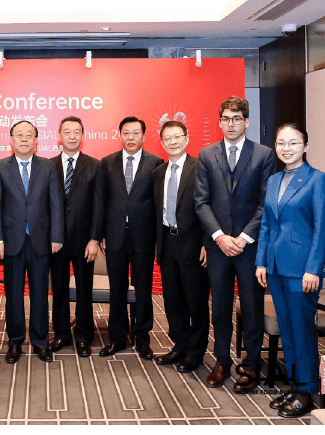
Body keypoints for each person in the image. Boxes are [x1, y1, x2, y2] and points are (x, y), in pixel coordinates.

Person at [194, 96, 275, 391]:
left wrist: (242, 238)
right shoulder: (206, 155)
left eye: (236, 119)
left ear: (246, 122)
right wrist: (219, 236)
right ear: (219, 122)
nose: (231, 124)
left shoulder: (264, 154)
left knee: (252, 307)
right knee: (220, 306)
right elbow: (201, 202)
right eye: (226, 119)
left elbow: (266, 203)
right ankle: (222, 361)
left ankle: (252, 364)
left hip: (249, 247)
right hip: (218, 247)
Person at [255, 123, 325, 418]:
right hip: (275, 267)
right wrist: (262, 261)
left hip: (302, 271)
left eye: (293, 143)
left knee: (302, 331)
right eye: (281, 143)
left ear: (305, 146)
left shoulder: (317, 180)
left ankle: (307, 392)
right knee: (287, 329)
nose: (286, 149)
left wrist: (313, 268)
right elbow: (266, 225)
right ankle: (294, 385)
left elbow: (322, 229)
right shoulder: (274, 180)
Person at [0, 120, 64, 364]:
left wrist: (56, 236)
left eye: (28, 135)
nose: (23, 139)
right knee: (13, 294)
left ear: (36, 140)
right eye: (19, 135)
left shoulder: (48, 166)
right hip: (11, 241)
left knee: (40, 294)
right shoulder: (0, 167)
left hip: (41, 240)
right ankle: (15, 341)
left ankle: (40, 342)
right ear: (11, 140)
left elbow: (56, 204)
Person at [92, 116, 163, 359]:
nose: (131, 137)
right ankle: (117, 338)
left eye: (135, 133)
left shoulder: (156, 162)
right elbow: (101, 201)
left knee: (143, 289)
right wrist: (99, 234)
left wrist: (158, 238)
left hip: (144, 236)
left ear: (143, 136)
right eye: (126, 133)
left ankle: (142, 339)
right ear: (119, 135)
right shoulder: (107, 162)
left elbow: (158, 203)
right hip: (114, 237)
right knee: (117, 290)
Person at [152, 120, 209, 373]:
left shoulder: (201, 168)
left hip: (194, 245)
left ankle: (195, 352)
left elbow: (210, 207)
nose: (173, 142)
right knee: (173, 300)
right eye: (168, 138)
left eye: (177, 137)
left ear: (187, 139)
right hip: (167, 242)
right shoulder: (158, 173)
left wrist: (208, 242)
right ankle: (180, 345)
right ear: (162, 142)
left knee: (196, 301)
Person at [49, 116, 100, 357]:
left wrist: (95, 239)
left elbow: (99, 205)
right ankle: (61, 334)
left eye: (76, 131)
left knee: (84, 290)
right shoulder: (48, 165)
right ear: (59, 136)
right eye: (67, 131)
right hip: (56, 240)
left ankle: (83, 336)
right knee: (58, 290)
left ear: (82, 135)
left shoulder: (95, 165)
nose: (71, 136)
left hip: (84, 240)